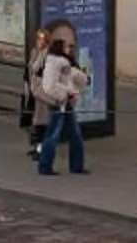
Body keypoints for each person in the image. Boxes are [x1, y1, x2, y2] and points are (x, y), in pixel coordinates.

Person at [34, 31, 90, 176]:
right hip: (59, 103)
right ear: (60, 48)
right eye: (67, 46)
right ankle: (45, 166)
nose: (69, 49)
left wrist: (82, 79)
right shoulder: (55, 62)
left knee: (75, 135)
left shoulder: (65, 62)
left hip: (66, 103)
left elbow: (74, 77)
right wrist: (67, 93)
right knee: (53, 135)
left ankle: (76, 166)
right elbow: (49, 86)